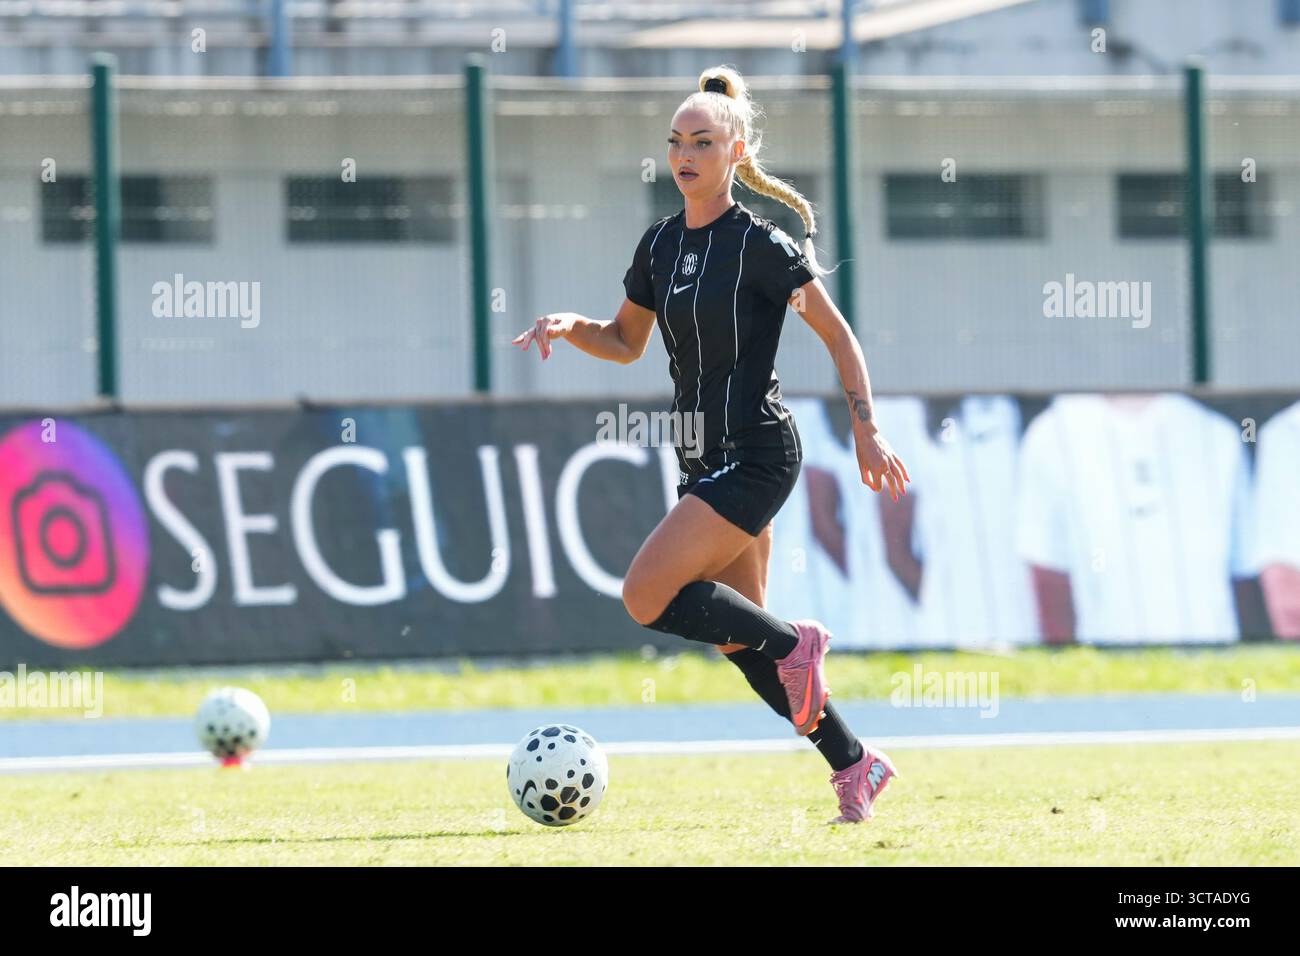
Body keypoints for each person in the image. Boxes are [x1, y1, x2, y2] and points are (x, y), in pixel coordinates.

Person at [511, 66, 909, 824]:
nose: (684, 154)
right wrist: (569, 324)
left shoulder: (762, 244)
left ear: (735, 153)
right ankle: (854, 764)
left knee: (646, 596)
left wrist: (868, 427)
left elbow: (839, 336)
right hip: (699, 456)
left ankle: (801, 641)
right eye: (675, 142)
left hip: (757, 453)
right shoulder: (660, 245)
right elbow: (625, 341)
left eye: (702, 141)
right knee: (740, 641)